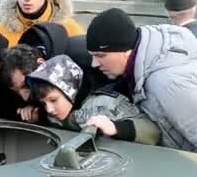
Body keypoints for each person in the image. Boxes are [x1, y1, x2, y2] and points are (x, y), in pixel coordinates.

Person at [85, 8, 197, 171]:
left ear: (125, 50)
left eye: (101, 56)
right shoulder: (153, 61)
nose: (95, 63)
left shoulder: (167, 83)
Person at [26, 54, 160, 145]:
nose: (49, 109)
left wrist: (116, 128)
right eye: (44, 103)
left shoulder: (104, 103)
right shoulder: (54, 111)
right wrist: (36, 120)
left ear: (69, 90)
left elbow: (153, 131)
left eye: (53, 100)